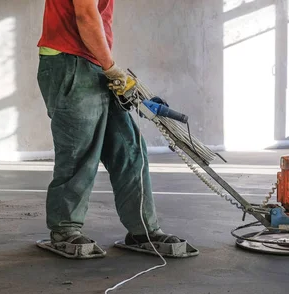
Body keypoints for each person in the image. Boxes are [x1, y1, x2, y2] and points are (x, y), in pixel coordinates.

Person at [36, 0, 197, 259]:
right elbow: (86, 16)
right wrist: (111, 67)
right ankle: (64, 230)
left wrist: (108, 67)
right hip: (68, 60)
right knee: (80, 150)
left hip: (95, 62)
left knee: (129, 148)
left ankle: (143, 230)